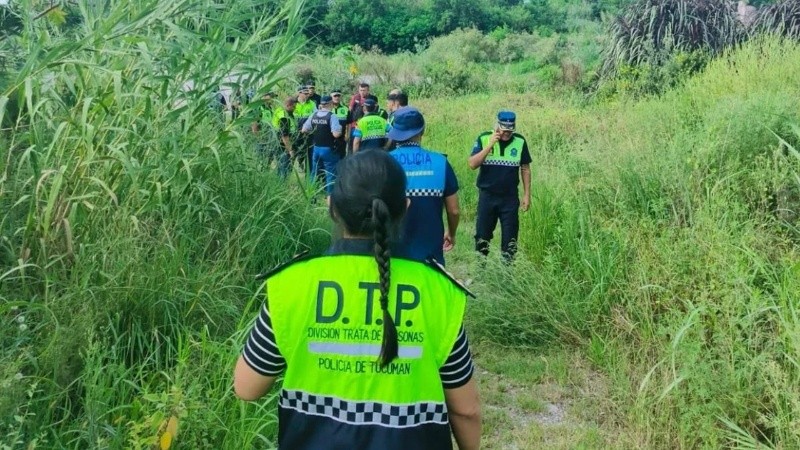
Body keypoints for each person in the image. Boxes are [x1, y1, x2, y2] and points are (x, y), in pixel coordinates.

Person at [233, 150, 481, 450]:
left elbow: (247, 387)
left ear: (331, 207)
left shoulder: (291, 284)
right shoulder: (439, 291)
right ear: (405, 207)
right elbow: (465, 410)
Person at [388, 107, 460, 265]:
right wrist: (451, 233)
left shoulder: (383, 163)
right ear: (422, 131)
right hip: (430, 255)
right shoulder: (440, 162)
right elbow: (453, 210)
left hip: (392, 253)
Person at [467, 110, 532, 261]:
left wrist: (527, 195)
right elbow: (472, 164)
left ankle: (507, 275)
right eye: (504, 130)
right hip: (487, 196)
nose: (507, 134)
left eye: (510, 131)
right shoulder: (484, 138)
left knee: (510, 239)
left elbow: (525, 168)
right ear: (497, 126)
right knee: (482, 235)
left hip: (509, 198)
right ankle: (481, 268)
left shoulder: (520, 141)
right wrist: (490, 145)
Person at [301, 95, 343, 197]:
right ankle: (330, 197)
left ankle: (311, 196)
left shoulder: (314, 115)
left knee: (314, 173)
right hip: (328, 149)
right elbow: (336, 134)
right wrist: (340, 129)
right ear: (330, 104)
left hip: (316, 148)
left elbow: (304, 130)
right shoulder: (332, 116)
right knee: (330, 174)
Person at [270, 96, 298, 179]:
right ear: (288, 105)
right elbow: (284, 136)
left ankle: (279, 185)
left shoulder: (279, 110)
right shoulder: (284, 117)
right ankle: (282, 186)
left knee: (280, 167)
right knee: (284, 169)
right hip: (283, 146)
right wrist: (290, 150)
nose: (295, 108)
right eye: (294, 106)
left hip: (278, 144)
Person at [294, 86, 317, 173]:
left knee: (308, 152)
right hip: (295, 132)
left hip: (308, 133)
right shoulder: (294, 103)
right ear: (299, 93)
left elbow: (315, 116)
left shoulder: (312, 103)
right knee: (297, 151)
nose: (308, 95)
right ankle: (299, 163)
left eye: (308, 93)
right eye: (305, 93)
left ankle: (309, 172)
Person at [347, 82, 371, 153]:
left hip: (366, 125)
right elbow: (350, 110)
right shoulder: (355, 97)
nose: (362, 92)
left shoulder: (372, 98)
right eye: (360, 90)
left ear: (368, 90)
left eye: (364, 90)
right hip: (355, 125)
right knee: (352, 145)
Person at [331, 89, 349, 159]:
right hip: (330, 138)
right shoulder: (328, 108)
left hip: (342, 138)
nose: (337, 97)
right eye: (335, 96)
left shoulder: (345, 109)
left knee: (342, 156)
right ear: (331, 97)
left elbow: (349, 123)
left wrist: (347, 135)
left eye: (338, 96)